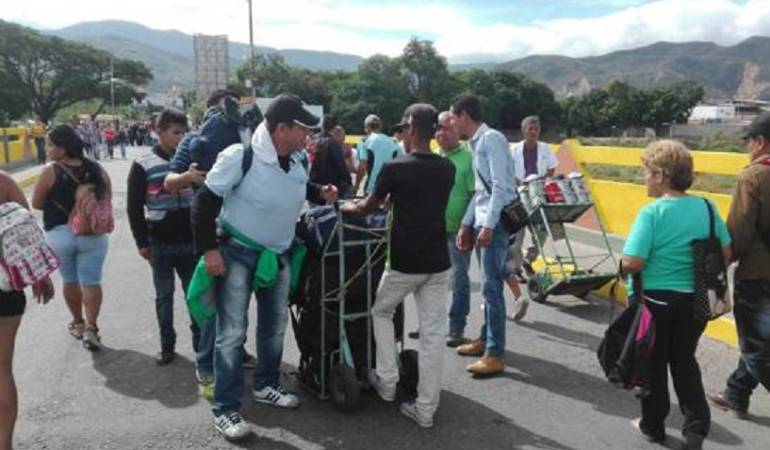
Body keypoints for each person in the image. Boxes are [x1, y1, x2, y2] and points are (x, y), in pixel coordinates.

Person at [191, 94, 337, 441]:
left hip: (278, 254)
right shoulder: (240, 156)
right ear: (281, 129)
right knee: (232, 333)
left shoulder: (296, 158)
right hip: (237, 252)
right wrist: (210, 250)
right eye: (302, 128)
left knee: (274, 327)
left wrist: (321, 193)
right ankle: (226, 409)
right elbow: (204, 203)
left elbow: (297, 188)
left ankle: (266, 385)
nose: (308, 135)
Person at [342, 103, 454, 428]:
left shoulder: (395, 168)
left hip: (405, 262)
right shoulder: (447, 169)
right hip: (438, 263)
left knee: (381, 311)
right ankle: (426, 409)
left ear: (408, 128)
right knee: (433, 336)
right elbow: (421, 200)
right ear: (433, 131)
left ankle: (388, 381)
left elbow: (367, 206)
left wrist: (350, 207)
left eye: (403, 128)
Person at [622, 140, 730, 450]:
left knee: (653, 366)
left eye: (647, 172)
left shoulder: (652, 212)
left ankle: (653, 426)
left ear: (660, 175)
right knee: (684, 361)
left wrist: (621, 263)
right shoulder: (707, 208)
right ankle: (695, 430)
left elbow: (633, 262)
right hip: (696, 302)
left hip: (654, 303)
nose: (644, 178)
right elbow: (726, 251)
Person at [163, 89, 258, 374]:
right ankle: (205, 361)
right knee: (206, 300)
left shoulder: (247, 137)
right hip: (207, 230)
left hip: (241, 231)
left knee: (237, 300)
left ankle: (235, 350)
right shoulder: (193, 141)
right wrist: (189, 177)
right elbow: (170, 181)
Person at [709, 111, 770, 420]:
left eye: (748, 141)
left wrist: (722, 263)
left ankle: (737, 393)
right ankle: (736, 393)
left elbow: (740, 230)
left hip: (759, 273)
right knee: (762, 338)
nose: (747, 147)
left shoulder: (753, 175)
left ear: (760, 142)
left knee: (756, 343)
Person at [127, 108, 198, 366]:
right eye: (175, 132)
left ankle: (201, 343)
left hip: (190, 240)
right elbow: (134, 207)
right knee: (164, 296)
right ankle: (167, 346)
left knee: (195, 295)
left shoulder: (194, 161)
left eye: (183, 132)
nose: (181, 138)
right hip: (160, 242)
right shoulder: (143, 164)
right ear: (159, 132)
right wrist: (141, 242)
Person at [32, 125, 112, 351]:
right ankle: (92, 328)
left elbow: (37, 203)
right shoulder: (95, 168)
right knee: (91, 281)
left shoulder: (51, 170)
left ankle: (77, 322)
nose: (47, 149)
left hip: (60, 234)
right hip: (92, 235)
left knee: (70, 280)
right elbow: (106, 197)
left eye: (51, 144)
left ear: (63, 147)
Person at [453, 93, 516, 376]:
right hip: (482, 220)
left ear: (465, 115)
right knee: (489, 284)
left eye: (455, 118)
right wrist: (468, 224)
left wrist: (488, 225)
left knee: (491, 288)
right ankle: (485, 339)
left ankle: (495, 352)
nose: (454, 124)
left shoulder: (491, 139)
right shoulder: (476, 142)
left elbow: (501, 187)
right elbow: (481, 191)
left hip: (494, 223)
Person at [0, 172, 55, 450]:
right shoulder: (4, 182)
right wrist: (39, 276)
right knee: (2, 371)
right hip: (6, 290)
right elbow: (29, 234)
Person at [505, 115, 559, 321]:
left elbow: (552, 167)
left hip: (538, 194)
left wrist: (544, 180)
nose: (533, 131)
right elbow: (508, 170)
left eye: (536, 128)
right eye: (529, 128)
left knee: (542, 232)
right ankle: (517, 268)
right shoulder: (514, 150)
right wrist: (519, 182)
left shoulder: (545, 149)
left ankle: (529, 260)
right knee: (516, 238)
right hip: (519, 196)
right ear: (523, 130)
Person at [433, 111, 476, 347]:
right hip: (432, 231)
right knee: (431, 281)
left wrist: (465, 226)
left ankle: (456, 327)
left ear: (458, 130)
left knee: (459, 279)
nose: (442, 133)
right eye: (438, 129)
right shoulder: (433, 157)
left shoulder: (468, 159)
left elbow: (474, 196)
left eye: (447, 128)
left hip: (458, 232)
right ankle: (431, 325)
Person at [353, 114, 403, 196]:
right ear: (380, 127)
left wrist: (356, 186)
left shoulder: (364, 141)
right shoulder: (393, 142)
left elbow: (362, 166)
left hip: (372, 189)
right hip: (390, 190)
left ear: (366, 128)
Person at [309, 114, 352, 199]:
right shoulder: (332, 143)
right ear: (334, 126)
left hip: (313, 184)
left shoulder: (313, 141)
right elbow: (341, 166)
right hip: (330, 186)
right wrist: (349, 182)